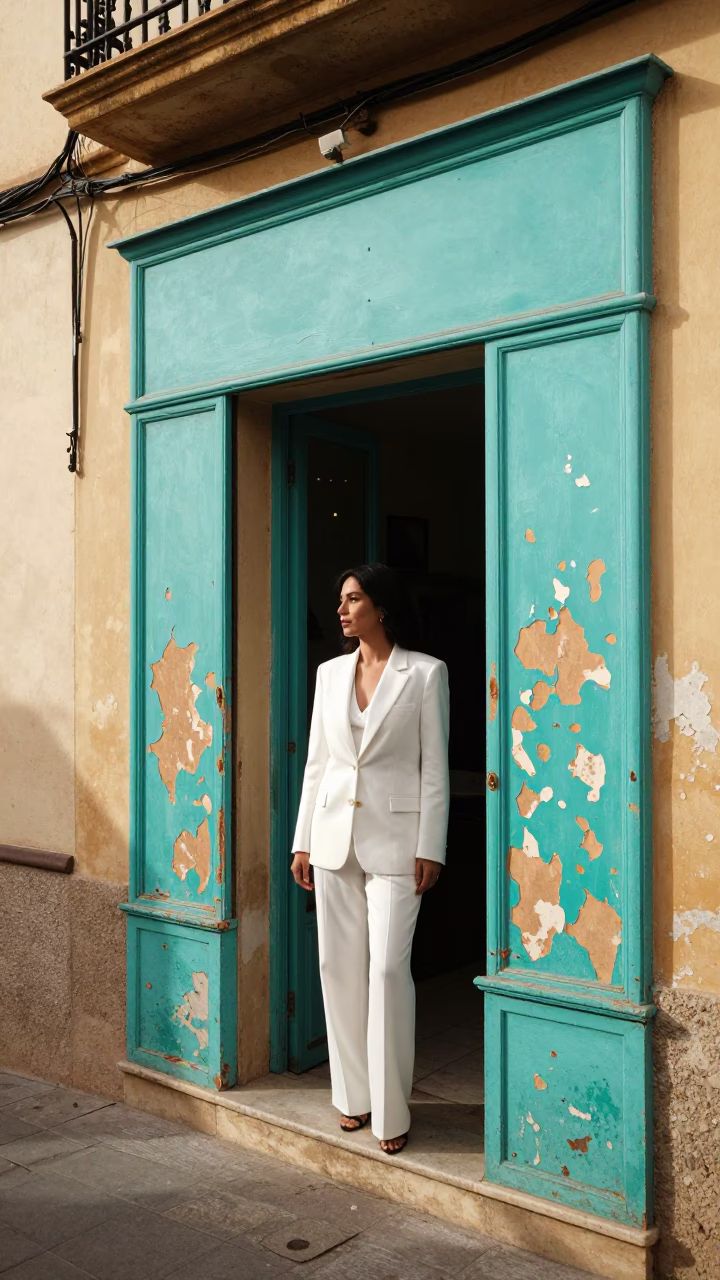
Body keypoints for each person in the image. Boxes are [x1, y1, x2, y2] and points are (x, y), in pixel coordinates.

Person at [291, 563, 450, 1155]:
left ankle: (392, 1108)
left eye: (353, 599)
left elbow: (433, 767)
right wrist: (302, 839)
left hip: (397, 843)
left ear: (380, 607)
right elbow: (318, 763)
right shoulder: (329, 675)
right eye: (340, 600)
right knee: (337, 967)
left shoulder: (426, 674)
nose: (341, 609)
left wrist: (430, 844)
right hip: (333, 836)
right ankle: (351, 1097)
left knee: (385, 970)